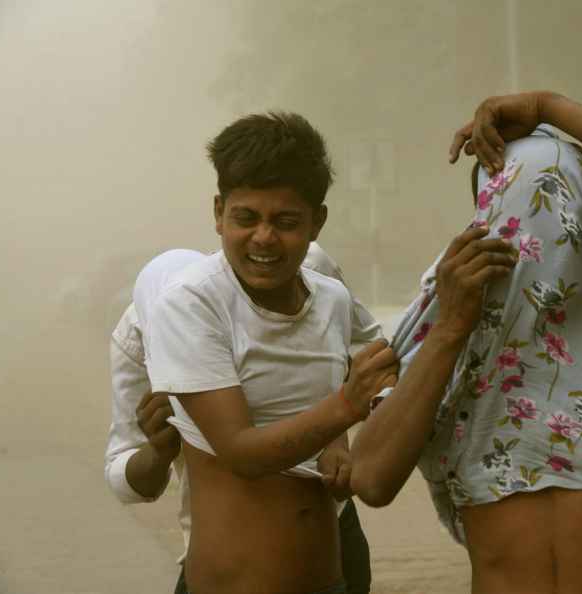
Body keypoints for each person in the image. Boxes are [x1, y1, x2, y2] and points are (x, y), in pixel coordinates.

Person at [350, 90, 582, 594]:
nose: (543, 217)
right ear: (487, 221)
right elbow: (369, 478)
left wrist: (547, 106)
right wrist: (454, 326)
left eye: (558, 190)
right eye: (520, 196)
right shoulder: (448, 326)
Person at [139, 111, 515, 594]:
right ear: (218, 213)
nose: (264, 238)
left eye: (286, 221)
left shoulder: (331, 300)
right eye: (246, 218)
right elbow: (240, 452)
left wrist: (338, 444)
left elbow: (359, 381)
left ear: (317, 222)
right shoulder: (194, 303)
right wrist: (347, 407)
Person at [104, 243, 381, 594]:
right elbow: (124, 477)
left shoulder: (303, 269)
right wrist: (157, 454)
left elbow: (362, 352)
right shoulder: (139, 339)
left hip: (327, 529)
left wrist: (336, 440)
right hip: (221, 551)